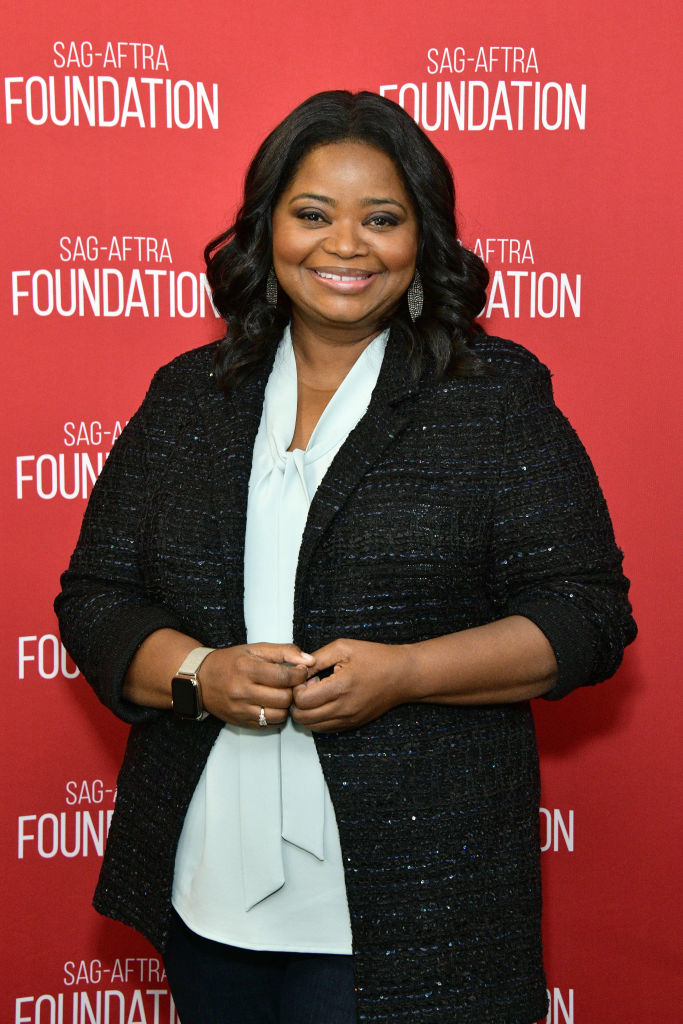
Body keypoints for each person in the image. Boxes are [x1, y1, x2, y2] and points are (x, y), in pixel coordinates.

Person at [55, 90, 636, 1024]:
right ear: (267, 231)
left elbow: (587, 615)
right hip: (210, 888)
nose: (345, 247)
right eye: (313, 215)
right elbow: (96, 595)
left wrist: (404, 674)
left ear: (422, 241)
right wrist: (201, 674)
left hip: (416, 902)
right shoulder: (188, 397)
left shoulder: (490, 397)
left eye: (381, 219)